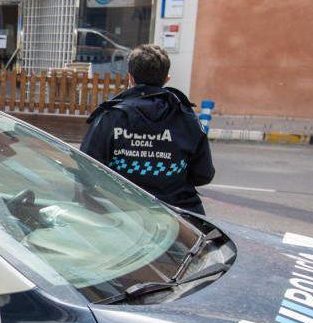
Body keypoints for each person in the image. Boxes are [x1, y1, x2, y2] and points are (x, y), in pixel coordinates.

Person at [81, 44, 215, 214]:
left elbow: (86, 168)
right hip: (178, 216)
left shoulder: (110, 117)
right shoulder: (186, 117)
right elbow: (204, 174)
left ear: (130, 78)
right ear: (167, 79)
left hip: (121, 215)